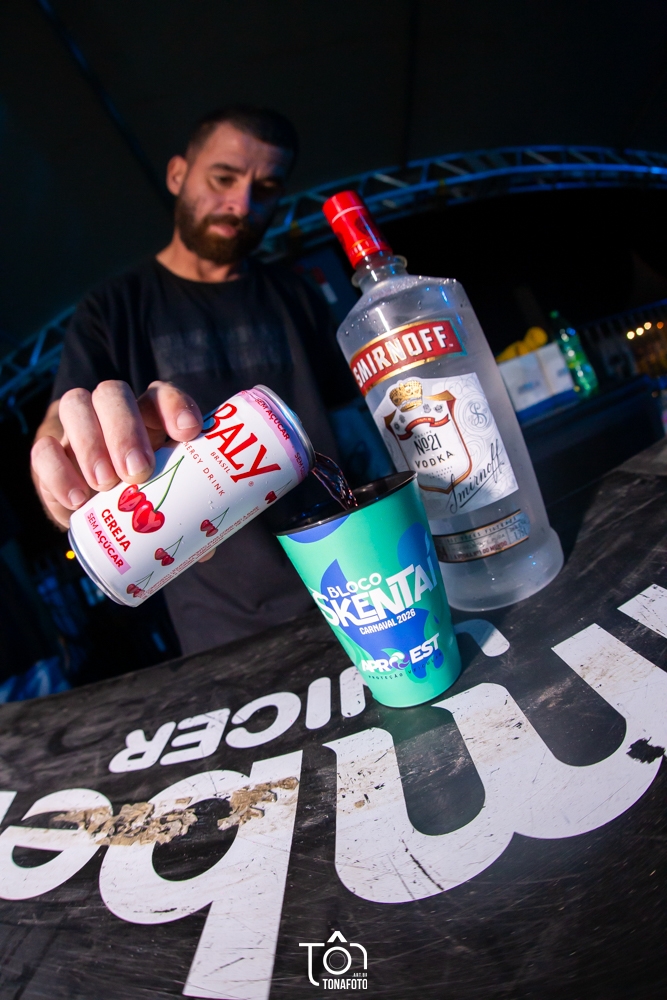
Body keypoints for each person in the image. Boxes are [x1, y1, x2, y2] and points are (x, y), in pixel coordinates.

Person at [31, 105, 357, 656]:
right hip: (225, 627)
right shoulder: (113, 308)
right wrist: (63, 468)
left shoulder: (298, 294)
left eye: (266, 188)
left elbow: (352, 425)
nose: (242, 204)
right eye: (224, 178)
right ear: (178, 174)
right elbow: (59, 425)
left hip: (352, 579)